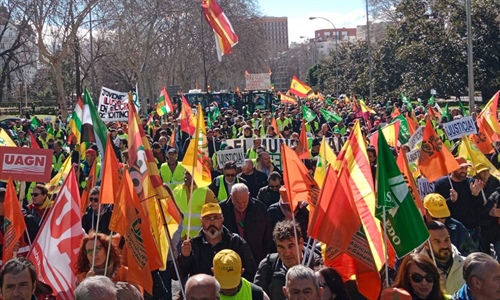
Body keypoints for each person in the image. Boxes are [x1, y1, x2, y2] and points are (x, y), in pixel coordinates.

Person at [178, 203, 257, 282]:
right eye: (208, 218)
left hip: (231, 291)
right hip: (203, 292)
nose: (212, 222)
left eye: (216, 218)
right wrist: (185, 257)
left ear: (222, 219)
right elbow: (176, 275)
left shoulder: (236, 242)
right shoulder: (193, 245)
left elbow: (251, 272)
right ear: (201, 220)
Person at [254, 220, 323, 300]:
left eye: (291, 246)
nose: (287, 253)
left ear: (300, 243)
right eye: (281, 247)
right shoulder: (268, 266)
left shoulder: (318, 265)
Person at [433, 157, 485, 245]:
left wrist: (476, 194)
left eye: (466, 168)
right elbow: (437, 207)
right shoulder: (442, 184)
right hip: (452, 230)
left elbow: (480, 205)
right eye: (461, 168)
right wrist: (451, 200)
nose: (464, 171)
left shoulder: (471, 183)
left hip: (472, 229)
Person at [220, 183, 273, 264]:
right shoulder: (222, 209)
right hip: (230, 258)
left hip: (256, 257)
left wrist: (265, 254)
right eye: (237, 202)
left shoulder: (259, 208)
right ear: (231, 196)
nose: (241, 206)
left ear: (249, 195)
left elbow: (268, 233)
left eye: (245, 202)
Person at [419, 221, 465, 294]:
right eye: (437, 241)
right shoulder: (418, 269)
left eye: (446, 240)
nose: (444, 246)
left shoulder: (465, 265)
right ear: (426, 244)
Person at [173, 171, 218, 239]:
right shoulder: (176, 191)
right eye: (185, 173)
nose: (186, 176)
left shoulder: (206, 192)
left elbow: (216, 216)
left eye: (189, 174)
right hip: (179, 238)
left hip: (199, 238)